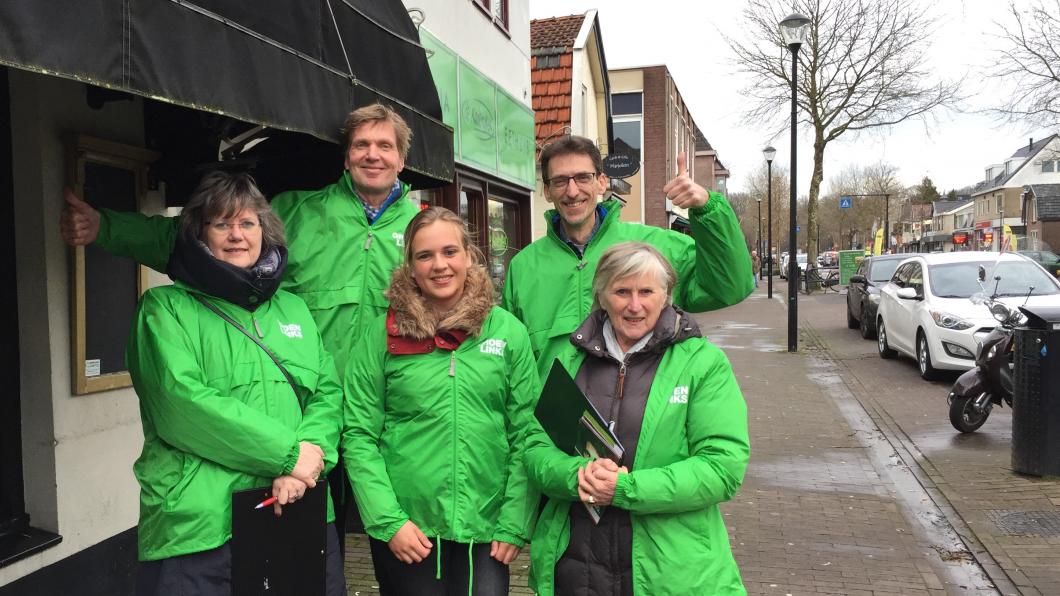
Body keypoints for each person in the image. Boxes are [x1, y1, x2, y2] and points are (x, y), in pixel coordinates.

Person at [59, 102, 418, 556]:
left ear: (402, 159)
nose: (373, 155)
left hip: (383, 414)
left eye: (385, 146)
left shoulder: (421, 230)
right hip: (304, 417)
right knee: (317, 532)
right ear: (346, 156)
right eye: (361, 145)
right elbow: (191, 237)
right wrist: (105, 227)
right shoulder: (298, 211)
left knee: (398, 537)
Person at [127, 172, 345, 595]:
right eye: (221, 223)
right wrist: (287, 456)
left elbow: (327, 393)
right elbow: (182, 405)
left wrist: (305, 463)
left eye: (247, 223)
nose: (236, 235)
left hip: (296, 508)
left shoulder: (294, 309)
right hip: (202, 526)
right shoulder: (164, 309)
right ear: (198, 233)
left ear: (265, 231)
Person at [524, 242, 750, 596]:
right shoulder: (570, 360)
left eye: (646, 291)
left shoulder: (702, 364)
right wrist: (577, 476)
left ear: (666, 296)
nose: (634, 305)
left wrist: (625, 490)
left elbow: (723, 468)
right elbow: (535, 449)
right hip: (575, 569)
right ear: (601, 296)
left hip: (673, 573)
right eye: (621, 291)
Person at [342, 207, 539, 595]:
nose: (439, 265)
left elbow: (528, 432)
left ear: (469, 255)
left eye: (450, 252)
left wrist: (515, 521)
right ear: (410, 267)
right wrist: (388, 521)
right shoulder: (381, 335)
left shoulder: (507, 332)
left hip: (486, 528)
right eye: (425, 255)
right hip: (408, 529)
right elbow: (359, 434)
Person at [501, 135, 753, 375]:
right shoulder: (523, 267)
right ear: (547, 191)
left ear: (601, 182)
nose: (572, 190)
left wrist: (707, 207)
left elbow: (730, 286)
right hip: (552, 419)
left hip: (639, 414)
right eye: (560, 181)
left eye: (582, 177)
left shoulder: (655, 247)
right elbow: (512, 361)